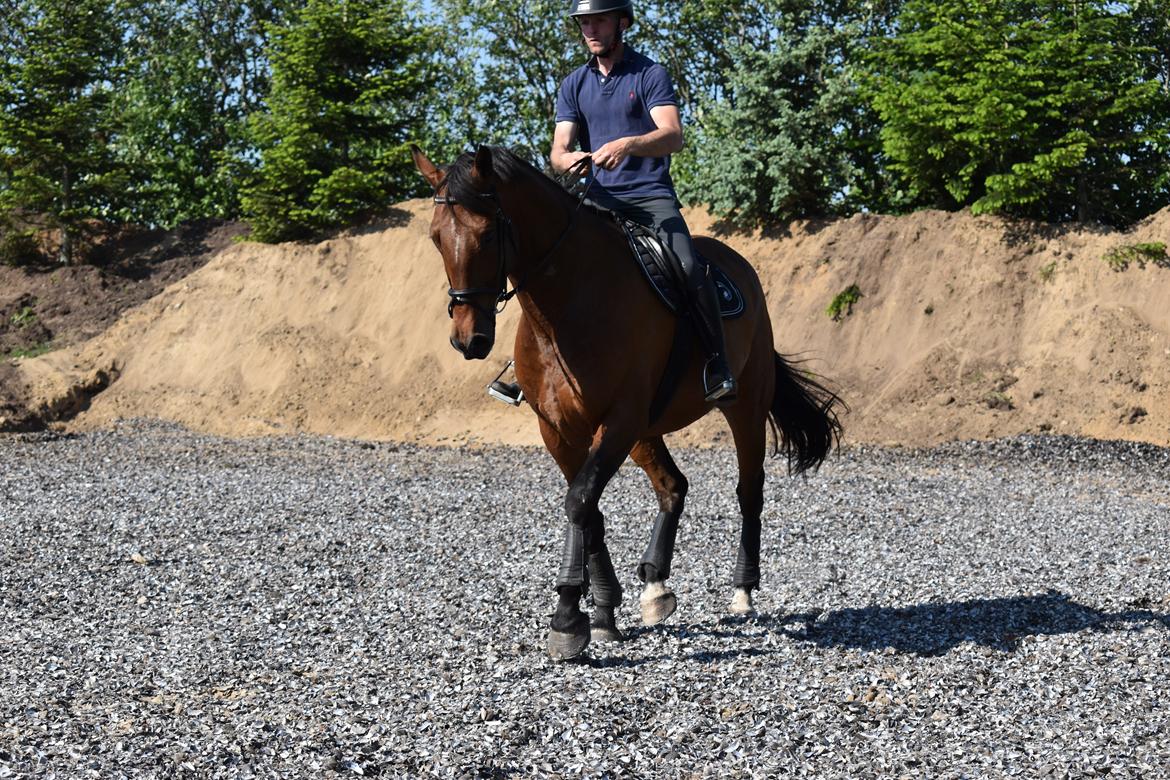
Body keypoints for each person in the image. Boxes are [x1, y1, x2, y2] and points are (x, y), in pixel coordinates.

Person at [549, 0, 736, 403]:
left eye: (599, 20)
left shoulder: (650, 74)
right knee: (549, 265)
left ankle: (718, 365)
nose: (591, 30)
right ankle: (530, 368)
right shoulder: (572, 85)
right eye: (584, 23)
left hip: (650, 198)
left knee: (689, 267)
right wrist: (570, 161)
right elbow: (558, 151)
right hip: (597, 202)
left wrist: (630, 144)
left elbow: (673, 135)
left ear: (622, 23)